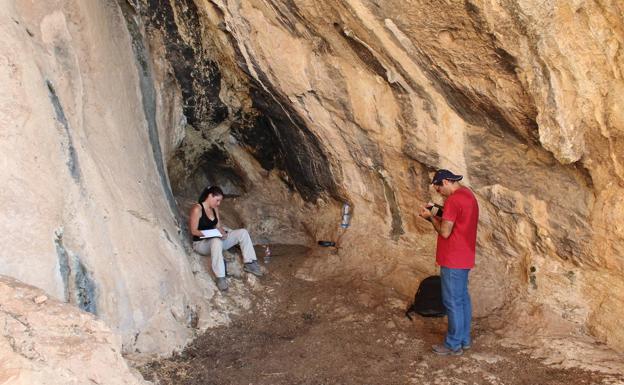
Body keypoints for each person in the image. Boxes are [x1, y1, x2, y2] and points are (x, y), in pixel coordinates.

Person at [419, 169, 479, 356]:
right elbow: (454, 217)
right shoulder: (468, 194)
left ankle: (453, 344)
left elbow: (445, 231)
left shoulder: (453, 200)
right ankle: (464, 340)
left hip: (452, 258)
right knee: (462, 300)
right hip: (465, 256)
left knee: (452, 302)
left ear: (445, 182)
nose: (439, 193)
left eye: (439, 189)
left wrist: (430, 218)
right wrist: (435, 209)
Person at [189, 186, 262, 291]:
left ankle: (250, 263)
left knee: (243, 232)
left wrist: (223, 233)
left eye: (220, 201)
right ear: (210, 196)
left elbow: (218, 226)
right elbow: (193, 231)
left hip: (216, 240)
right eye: (217, 200)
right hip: (201, 244)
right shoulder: (197, 209)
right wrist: (211, 234)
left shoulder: (215, 209)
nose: (218, 203)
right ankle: (220, 277)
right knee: (216, 240)